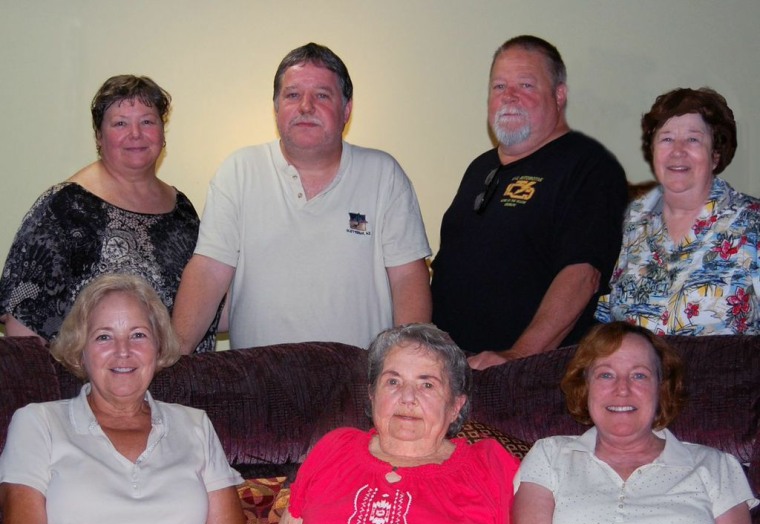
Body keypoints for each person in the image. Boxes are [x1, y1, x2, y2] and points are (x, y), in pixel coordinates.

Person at [172, 43, 431, 353]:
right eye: (293, 95)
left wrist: (407, 365)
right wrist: (175, 359)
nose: (306, 107)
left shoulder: (384, 175)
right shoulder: (239, 171)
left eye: (322, 95)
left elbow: (408, 279)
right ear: (276, 107)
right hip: (256, 383)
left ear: (346, 109)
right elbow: (208, 271)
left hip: (358, 382)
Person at [0, 274, 247, 524]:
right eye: (104, 336)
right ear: (80, 351)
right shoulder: (38, 423)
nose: (123, 351)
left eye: (138, 335)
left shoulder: (195, 425)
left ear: (158, 346)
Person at [431, 35, 628, 370]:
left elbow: (583, 274)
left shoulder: (588, 166)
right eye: (498, 86)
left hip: (526, 374)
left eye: (525, 85)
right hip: (454, 369)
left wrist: (518, 357)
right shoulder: (480, 168)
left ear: (559, 95)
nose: (509, 97)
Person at [0, 75, 219, 352]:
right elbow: (22, 319)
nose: (136, 134)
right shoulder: (64, 206)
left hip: (177, 386)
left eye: (147, 121)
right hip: (90, 387)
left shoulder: (182, 210)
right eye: (120, 124)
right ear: (99, 137)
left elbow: (204, 301)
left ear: (163, 134)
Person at [273, 323, 520, 524]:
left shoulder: (489, 466)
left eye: (427, 385)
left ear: (456, 405)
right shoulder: (334, 448)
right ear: (371, 395)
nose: (407, 397)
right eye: (393, 381)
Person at [512, 321, 757, 524]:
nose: (622, 389)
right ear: (585, 388)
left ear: (661, 389)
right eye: (606, 375)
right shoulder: (549, 455)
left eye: (639, 375)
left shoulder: (717, 466)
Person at [596, 88, 760, 335]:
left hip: (726, 372)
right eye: (667, 139)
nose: (677, 150)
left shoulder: (752, 222)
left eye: (693, 139)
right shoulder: (629, 222)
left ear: (715, 154)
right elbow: (604, 319)